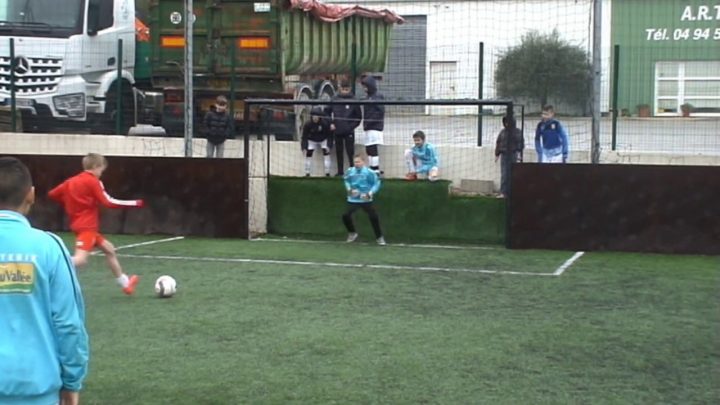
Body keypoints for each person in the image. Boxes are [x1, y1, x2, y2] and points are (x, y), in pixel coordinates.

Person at [0, 156, 89, 405]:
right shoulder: (48, 247)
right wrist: (72, 382)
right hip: (34, 388)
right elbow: (69, 323)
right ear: (31, 195)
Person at [48, 153, 143, 295]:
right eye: (101, 171)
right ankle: (50, 267)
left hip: (80, 224)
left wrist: (71, 204)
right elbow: (108, 201)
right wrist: (134, 203)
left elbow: (52, 194)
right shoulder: (92, 181)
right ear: (95, 167)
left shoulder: (71, 181)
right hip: (87, 227)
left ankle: (125, 283)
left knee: (109, 249)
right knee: (80, 260)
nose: (101, 174)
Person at [342, 154, 386, 245]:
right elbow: (346, 180)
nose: (356, 164)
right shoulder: (350, 171)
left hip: (365, 199)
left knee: (373, 217)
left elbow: (376, 183)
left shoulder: (369, 172)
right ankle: (352, 233)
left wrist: (369, 193)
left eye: (358, 162)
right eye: (355, 162)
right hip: (353, 199)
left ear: (363, 162)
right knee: (345, 215)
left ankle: (379, 237)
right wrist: (349, 189)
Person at [329, 80, 362, 176]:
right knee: (338, 152)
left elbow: (358, 117)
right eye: (343, 89)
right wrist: (331, 123)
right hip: (337, 130)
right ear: (339, 88)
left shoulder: (354, 100)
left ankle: (352, 171)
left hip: (349, 131)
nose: (344, 91)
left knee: (350, 151)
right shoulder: (334, 99)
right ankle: (340, 172)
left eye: (346, 89)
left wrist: (350, 126)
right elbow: (326, 112)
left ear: (350, 89)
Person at [360, 75, 385, 174]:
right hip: (368, 126)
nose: (364, 89)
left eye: (366, 86)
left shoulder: (377, 96)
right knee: (368, 149)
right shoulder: (368, 97)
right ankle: (372, 168)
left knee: (373, 148)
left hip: (375, 126)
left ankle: (375, 170)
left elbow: (380, 111)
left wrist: (371, 121)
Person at [494, 115, 524, 198]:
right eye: (505, 122)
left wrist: (518, 153)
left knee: (513, 174)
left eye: (508, 122)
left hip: (513, 154)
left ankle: (513, 193)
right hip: (504, 155)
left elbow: (520, 143)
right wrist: (497, 154)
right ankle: (503, 193)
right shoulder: (502, 132)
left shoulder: (517, 132)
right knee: (504, 174)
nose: (507, 124)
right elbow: (498, 143)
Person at [301, 106, 332, 177]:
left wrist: (329, 145)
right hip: (311, 140)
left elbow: (330, 135)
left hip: (323, 139)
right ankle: (307, 172)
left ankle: (327, 173)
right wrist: (304, 147)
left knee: (326, 154)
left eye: (317, 116)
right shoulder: (308, 124)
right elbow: (304, 136)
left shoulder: (325, 124)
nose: (315, 118)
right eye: (313, 116)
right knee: (308, 154)